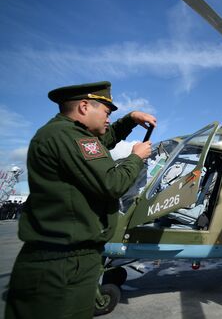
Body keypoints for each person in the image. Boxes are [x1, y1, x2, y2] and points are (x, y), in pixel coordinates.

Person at [5, 81, 156, 319]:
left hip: (65, 259)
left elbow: (105, 140)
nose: (108, 119)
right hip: (65, 265)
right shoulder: (70, 136)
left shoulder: (65, 134)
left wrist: (130, 120)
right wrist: (136, 157)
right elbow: (112, 183)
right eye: (106, 113)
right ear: (84, 107)